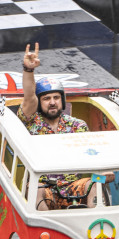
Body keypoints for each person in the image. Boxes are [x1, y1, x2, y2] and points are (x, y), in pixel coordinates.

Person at [19, 43, 105, 210]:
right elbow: (29, 97)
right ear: (39, 102)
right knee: (35, 190)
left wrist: (103, 176)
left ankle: (93, 225)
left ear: (62, 101)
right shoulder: (31, 122)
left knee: (96, 184)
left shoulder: (78, 125)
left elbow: (94, 157)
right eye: (46, 98)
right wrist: (28, 70)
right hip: (44, 187)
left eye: (56, 98)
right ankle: (47, 230)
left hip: (72, 186)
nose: (52, 102)